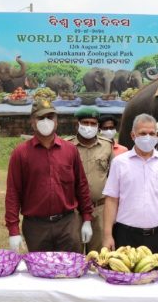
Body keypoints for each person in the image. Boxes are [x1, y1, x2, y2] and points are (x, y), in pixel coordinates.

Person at [5, 98, 93, 252]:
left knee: (70, 271)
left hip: (67, 224)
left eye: (50, 117)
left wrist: (86, 219)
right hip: (36, 227)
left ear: (56, 121)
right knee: (40, 273)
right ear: (32, 122)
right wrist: (13, 230)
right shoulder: (20, 154)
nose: (46, 121)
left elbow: (81, 186)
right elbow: (13, 193)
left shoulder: (70, 150)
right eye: (40, 118)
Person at [102, 113, 158, 253]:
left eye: (152, 133)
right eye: (143, 133)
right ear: (133, 135)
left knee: (157, 273)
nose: (148, 137)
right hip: (126, 236)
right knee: (126, 274)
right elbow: (111, 200)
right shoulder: (119, 162)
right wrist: (107, 235)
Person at [67, 107, 113, 252]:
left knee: (100, 254)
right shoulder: (67, 146)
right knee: (75, 253)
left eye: (93, 124)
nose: (89, 127)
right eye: (85, 123)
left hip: (100, 208)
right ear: (77, 124)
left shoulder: (106, 145)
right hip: (74, 210)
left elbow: (112, 176)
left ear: (98, 126)